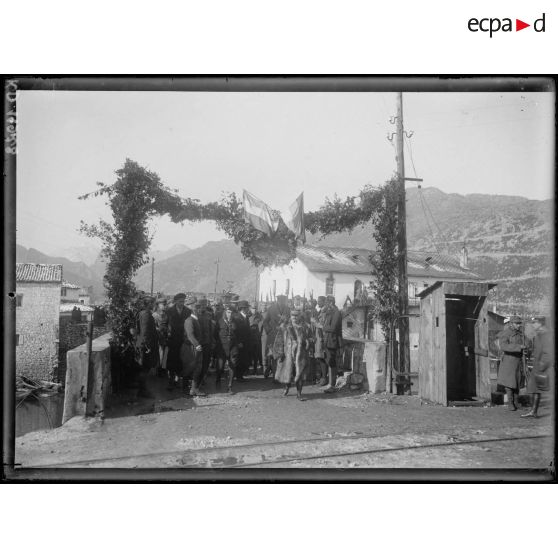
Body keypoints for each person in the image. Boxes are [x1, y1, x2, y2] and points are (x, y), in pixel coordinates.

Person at [521, 316, 554, 418]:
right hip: (538, 367)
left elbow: (549, 353)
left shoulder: (547, 335)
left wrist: (542, 365)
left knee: (543, 389)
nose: (533, 324)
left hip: (544, 368)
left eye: (534, 322)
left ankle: (534, 411)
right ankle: (533, 411)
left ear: (540, 323)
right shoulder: (539, 335)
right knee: (534, 389)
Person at [497, 315, 526, 411]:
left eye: (519, 323)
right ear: (511, 324)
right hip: (509, 361)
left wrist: (526, 349)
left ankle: (516, 402)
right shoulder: (505, 333)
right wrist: (518, 347)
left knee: (517, 382)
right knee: (509, 383)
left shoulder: (521, 334)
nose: (519, 325)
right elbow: (504, 346)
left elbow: (527, 343)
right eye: (517, 323)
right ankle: (510, 403)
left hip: (518, 361)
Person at [134, 295, 158, 398]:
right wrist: (147, 347)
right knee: (145, 368)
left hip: (142, 344)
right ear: (149, 304)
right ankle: (142, 391)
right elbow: (145, 332)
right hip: (146, 346)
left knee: (143, 368)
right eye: (153, 303)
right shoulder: (146, 314)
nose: (154, 305)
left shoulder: (142, 313)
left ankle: (142, 390)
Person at [166, 293, 191, 390]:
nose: (182, 303)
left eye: (183, 301)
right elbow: (165, 324)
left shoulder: (188, 311)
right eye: (180, 301)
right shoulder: (169, 311)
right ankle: (171, 381)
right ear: (176, 301)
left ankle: (179, 381)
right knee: (172, 361)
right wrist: (166, 336)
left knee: (182, 361)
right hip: (172, 340)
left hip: (183, 340)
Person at [181, 297, 206, 397]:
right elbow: (190, 335)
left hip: (196, 348)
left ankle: (194, 389)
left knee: (198, 368)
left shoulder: (196, 319)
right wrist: (197, 345)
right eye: (197, 307)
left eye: (199, 307)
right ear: (192, 308)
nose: (199, 309)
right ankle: (184, 390)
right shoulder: (189, 320)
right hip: (190, 348)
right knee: (188, 368)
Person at [261, 295, 290, 378]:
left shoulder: (288, 309)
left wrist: (286, 327)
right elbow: (265, 321)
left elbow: (290, 322)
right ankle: (275, 376)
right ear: (277, 301)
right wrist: (269, 331)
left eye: (283, 301)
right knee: (274, 356)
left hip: (284, 336)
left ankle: (281, 374)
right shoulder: (271, 309)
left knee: (283, 356)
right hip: (273, 336)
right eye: (280, 301)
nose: (281, 302)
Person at [214, 303, 241, 393]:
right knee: (220, 367)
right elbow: (215, 334)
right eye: (228, 312)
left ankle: (230, 386)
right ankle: (218, 381)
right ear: (225, 312)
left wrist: (239, 343)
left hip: (233, 347)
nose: (230, 314)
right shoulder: (220, 321)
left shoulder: (236, 322)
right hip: (222, 346)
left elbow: (239, 334)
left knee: (232, 365)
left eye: (232, 312)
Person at [322, 295, 343, 393]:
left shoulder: (336, 313)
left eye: (326, 303)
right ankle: (330, 384)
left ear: (330, 303)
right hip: (328, 340)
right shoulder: (330, 312)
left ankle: (332, 385)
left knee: (332, 363)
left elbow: (333, 328)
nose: (325, 305)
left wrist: (322, 327)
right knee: (329, 362)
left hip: (333, 341)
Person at [197, 298, 215, 388]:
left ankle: (202, 379)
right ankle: (196, 381)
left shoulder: (209, 315)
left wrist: (212, 341)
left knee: (206, 362)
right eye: (201, 305)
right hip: (199, 344)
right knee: (198, 363)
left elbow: (211, 329)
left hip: (207, 342)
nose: (203, 307)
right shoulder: (195, 315)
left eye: (204, 305)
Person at [310, 296, 328, 386]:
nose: (318, 303)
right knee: (319, 357)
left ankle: (324, 378)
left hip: (321, 337)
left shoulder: (324, 312)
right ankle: (322, 377)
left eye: (319, 301)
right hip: (318, 337)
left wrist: (314, 322)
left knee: (321, 358)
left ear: (324, 301)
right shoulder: (321, 310)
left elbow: (322, 325)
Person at [235, 300, 252, 381]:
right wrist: (238, 342)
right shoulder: (237, 317)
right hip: (240, 343)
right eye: (247, 308)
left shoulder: (246, 317)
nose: (248, 309)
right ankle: (238, 376)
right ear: (243, 308)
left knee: (244, 360)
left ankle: (240, 375)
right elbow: (236, 331)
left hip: (246, 342)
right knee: (240, 360)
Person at [152, 297, 169, 378]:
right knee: (159, 354)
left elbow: (169, 325)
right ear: (158, 305)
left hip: (166, 337)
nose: (165, 306)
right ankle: (158, 370)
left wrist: (168, 330)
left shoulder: (167, 315)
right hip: (158, 338)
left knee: (165, 354)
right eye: (163, 304)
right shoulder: (154, 315)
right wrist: (158, 329)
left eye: (165, 304)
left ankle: (163, 370)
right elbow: (152, 327)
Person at [249, 309, 263, 374]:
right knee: (251, 356)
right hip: (251, 341)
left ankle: (255, 370)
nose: (254, 310)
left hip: (257, 341)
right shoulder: (249, 322)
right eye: (253, 308)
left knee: (256, 357)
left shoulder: (259, 321)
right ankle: (250, 370)